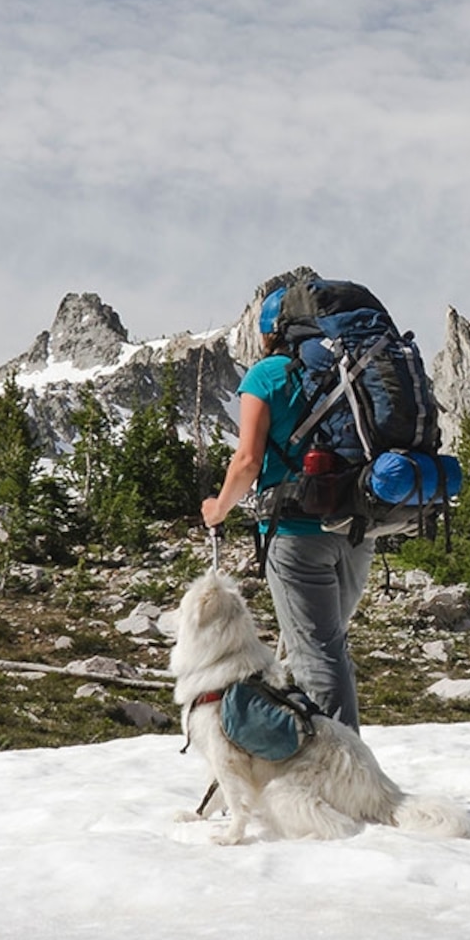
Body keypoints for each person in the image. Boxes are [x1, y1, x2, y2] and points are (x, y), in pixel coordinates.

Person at [199, 285, 373, 728]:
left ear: (268, 331)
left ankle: (344, 773)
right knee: (328, 647)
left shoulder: (266, 375)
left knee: (316, 655)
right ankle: (300, 754)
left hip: (296, 535)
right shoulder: (347, 369)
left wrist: (218, 508)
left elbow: (247, 461)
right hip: (356, 531)